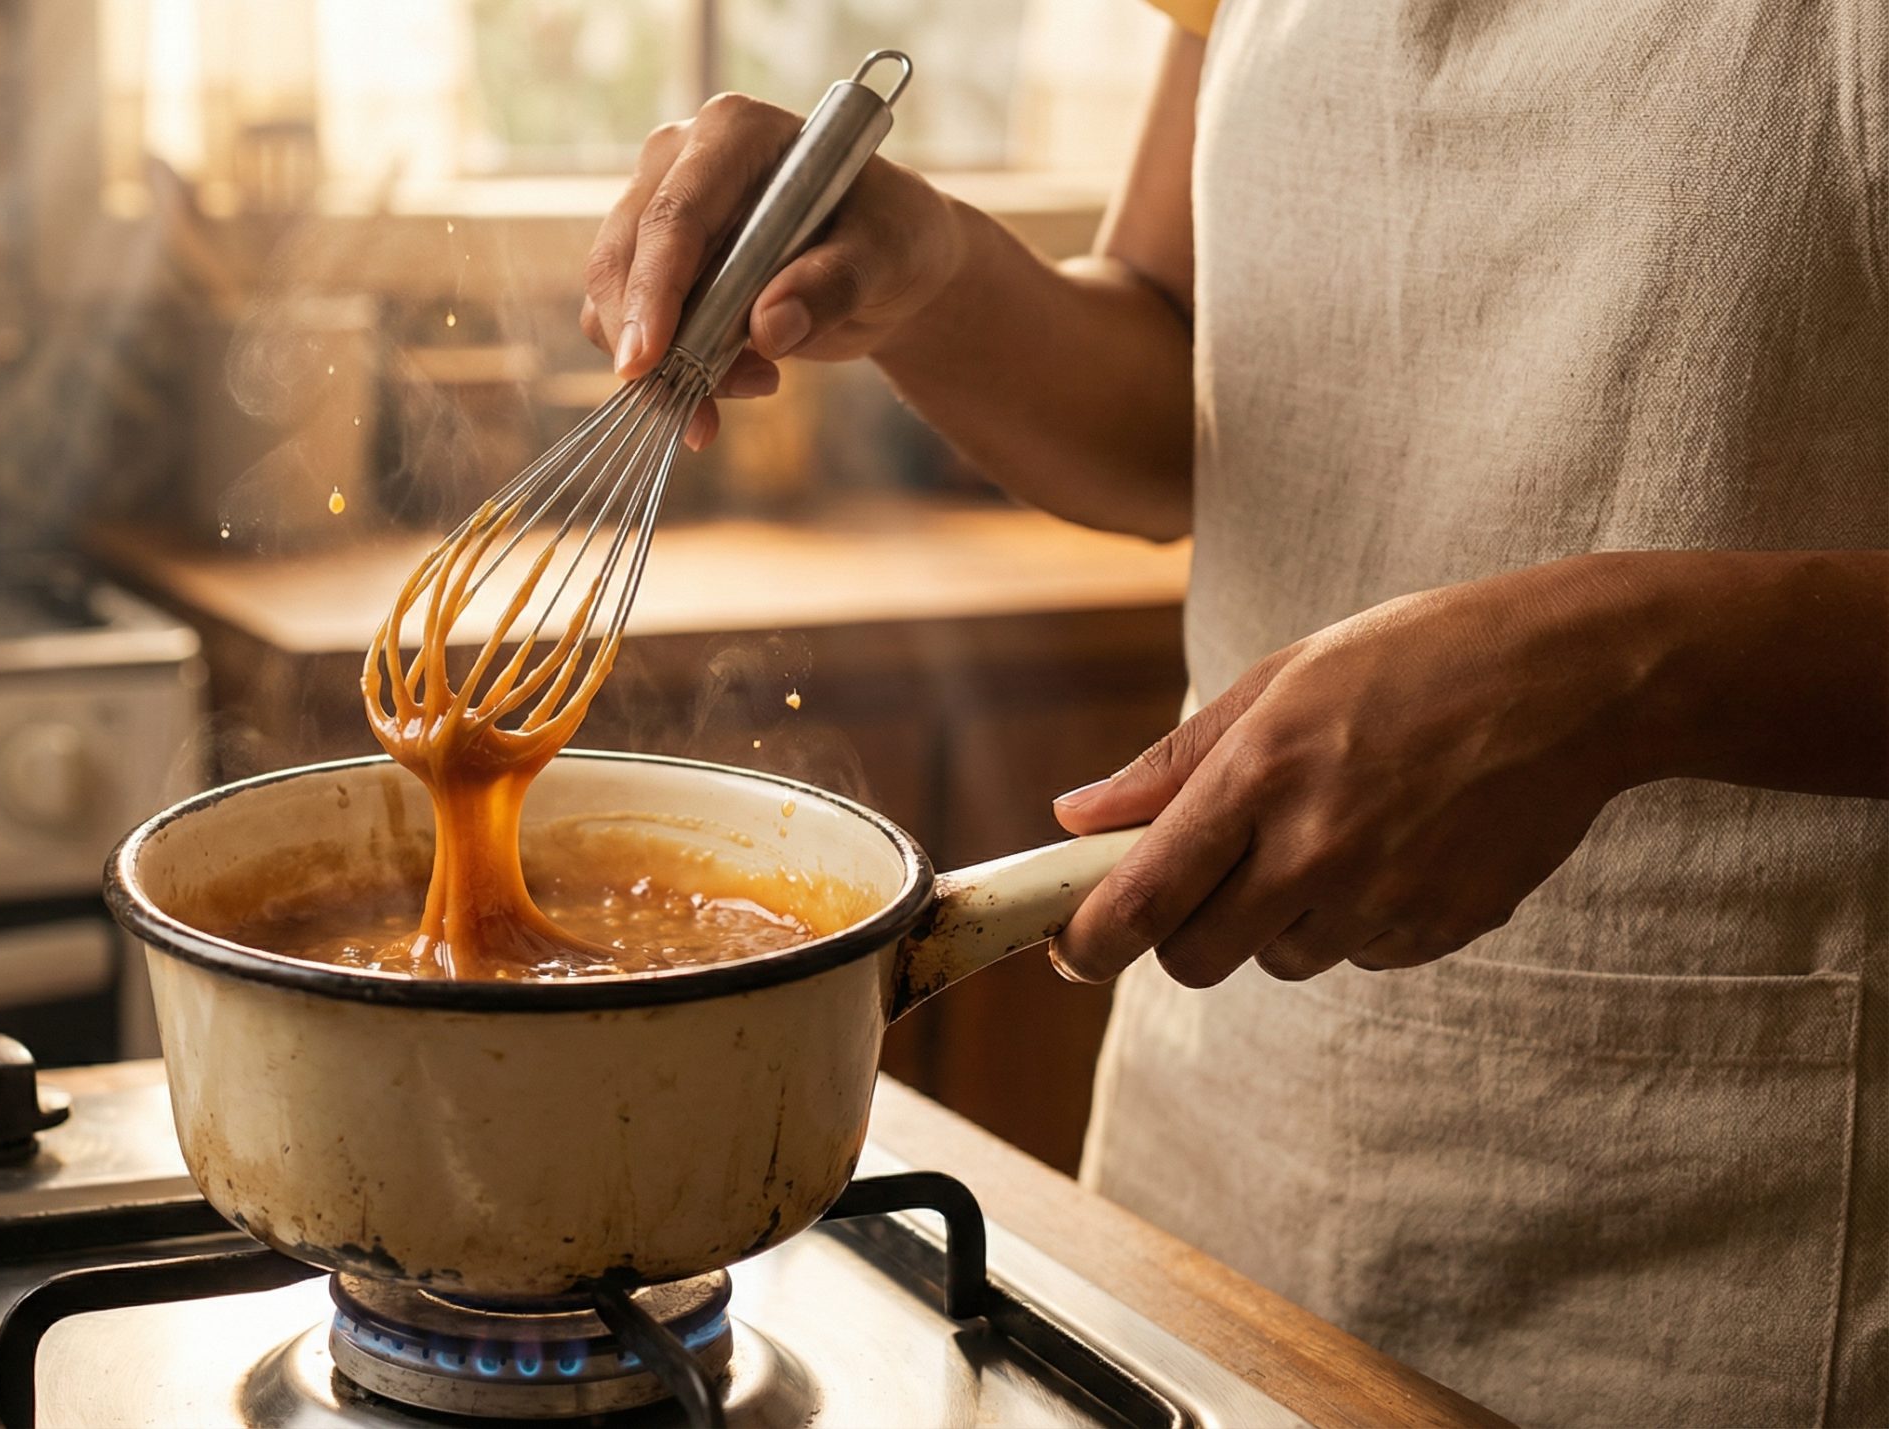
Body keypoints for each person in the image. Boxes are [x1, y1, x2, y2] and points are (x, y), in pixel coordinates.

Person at [581, 4, 1889, 1424]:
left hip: (1742, 1216)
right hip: (1220, 1183)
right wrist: (937, 279)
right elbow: (1186, 376)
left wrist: (1632, 670)